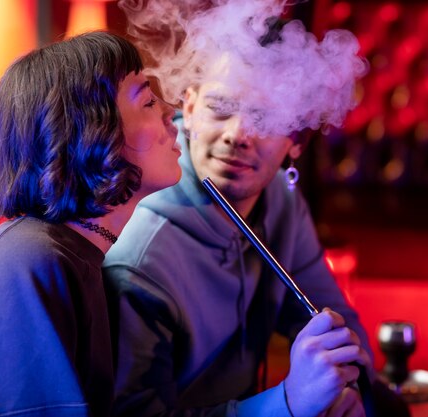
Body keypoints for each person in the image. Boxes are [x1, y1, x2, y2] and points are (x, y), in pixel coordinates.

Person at [103, 1, 410, 416]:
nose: (238, 135)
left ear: (295, 143)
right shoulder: (141, 259)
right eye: (222, 108)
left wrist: (348, 388)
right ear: (189, 109)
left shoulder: (280, 195)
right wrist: (287, 404)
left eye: (265, 118)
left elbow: (332, 320)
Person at [0, 31, 181, 417]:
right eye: (148, 101)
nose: (171, 112)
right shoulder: (33, 258)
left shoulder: (71, 253)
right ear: (92, 133)